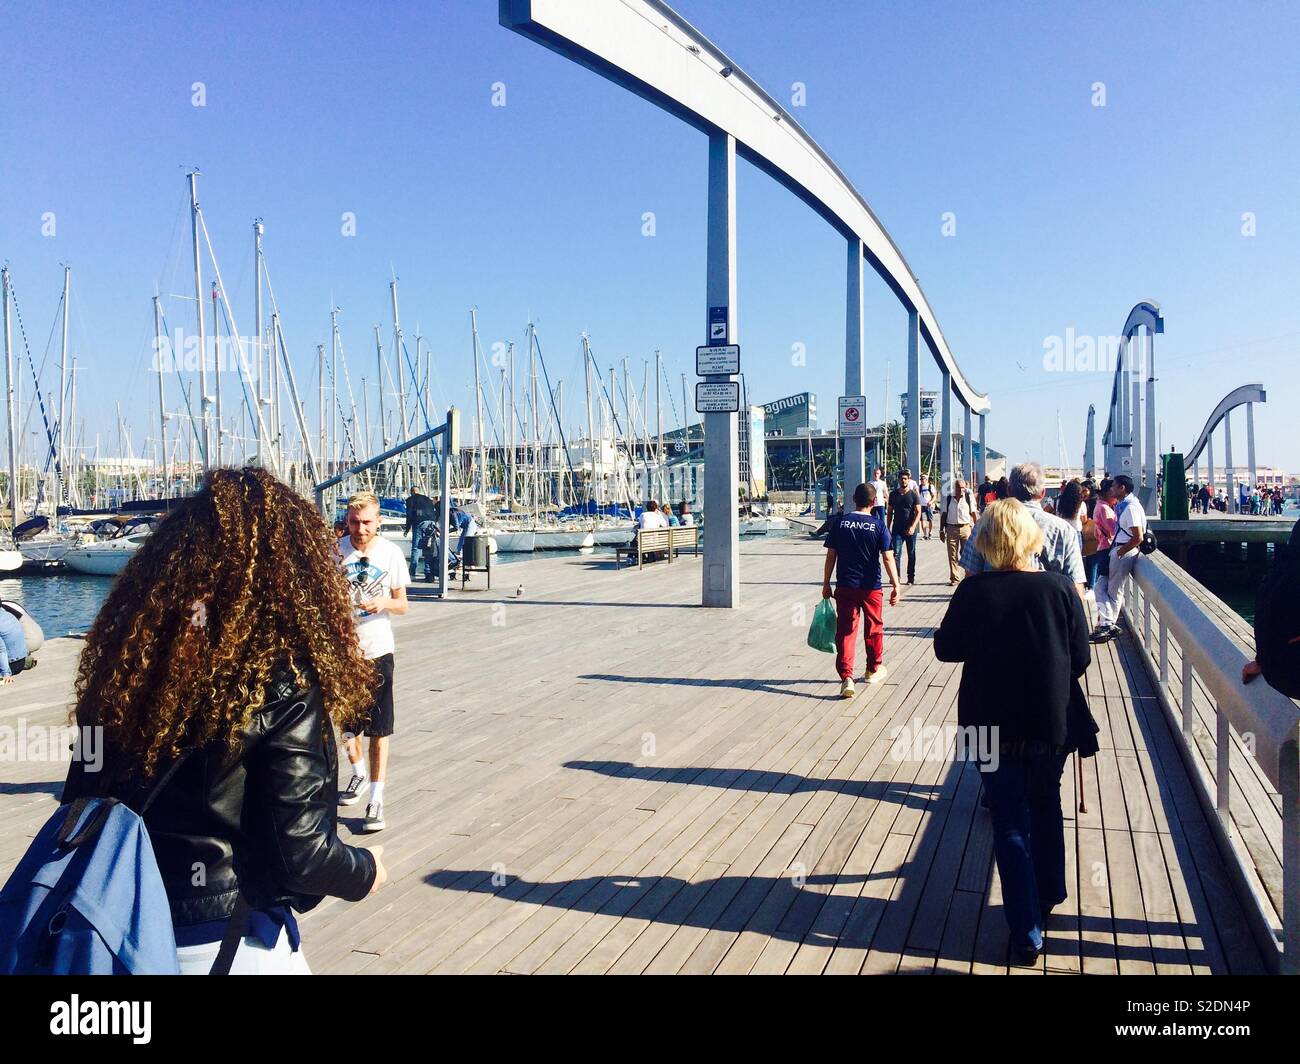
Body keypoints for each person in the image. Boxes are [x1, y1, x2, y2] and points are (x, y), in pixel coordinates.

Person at [60, 467, 385, 974]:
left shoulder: (123, 669)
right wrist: (367, 870)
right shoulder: (283, 680)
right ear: (293, 573)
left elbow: (79, 801)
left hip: (115, 929)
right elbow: (302, 855)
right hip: (229, 940)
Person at [934, 498, 1094, 966]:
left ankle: (1026, 931)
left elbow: (946, 649)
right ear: (1031, 539)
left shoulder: (974, 592)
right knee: (1046, 803)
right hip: (1050, 720)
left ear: (986, 542)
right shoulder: (1060, 588)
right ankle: (1049, 893)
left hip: (989, 723)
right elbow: (1080, 660)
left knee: (1008, 819)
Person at [335, 491, 410, 833]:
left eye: (367, 522)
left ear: (378, 520)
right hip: (344, 651)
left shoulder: (391, 553)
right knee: (347, 723)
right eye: (354, 522)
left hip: (378, 648)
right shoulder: (336, 551)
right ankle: (358, 774)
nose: (360, 529)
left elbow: (402, 604)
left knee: (380, 729)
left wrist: (383, 603)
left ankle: (376, 798)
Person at [822, 482, 901, 699]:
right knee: (874, 628)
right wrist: (896, 584)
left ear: (853, 499)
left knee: (847, 631)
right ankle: (873, 669)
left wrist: (826, 583)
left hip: (846, 585)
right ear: (874, 502)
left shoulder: (839, 523)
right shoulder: (878, 525)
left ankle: (847, 677)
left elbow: (831, 555)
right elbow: (887, 557)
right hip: (871, 587)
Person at [961, 462, 1086, 599]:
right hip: (1046, 612)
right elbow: (1076, 587)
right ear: (1042, 493)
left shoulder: (985, 524)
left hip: (995, 611)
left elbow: (970, 578)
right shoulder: (1064, 530)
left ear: (1009, 490)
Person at [1090, 474, 1145, 643]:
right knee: (1103, 586)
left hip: (1122, 550)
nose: (1111, 489)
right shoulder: (1127, 505)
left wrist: (1121, 551)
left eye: (1114, 486)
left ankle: (1107, 625)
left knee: (1113, 590)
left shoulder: (1131, 508)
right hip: (1118, 549)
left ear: (1122, 488)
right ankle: (1107, 623)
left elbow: (1138, 536)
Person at [886, 468, 922, 586]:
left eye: (905, 479)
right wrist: (888, 527)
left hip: (911, 529)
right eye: (901, 478)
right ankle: (896, 577)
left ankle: (910, 577)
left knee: (911, 553)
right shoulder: (893, 494)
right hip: (897, 529)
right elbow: (890, 512)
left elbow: (918, 512)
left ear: (909, 480)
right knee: (895, 554)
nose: (903, 481)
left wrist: (913, 526)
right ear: (899, 480)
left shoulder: (913, 495)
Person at [940, 476, 976, 586]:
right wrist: (941, 530)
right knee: (952, 555)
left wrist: (977, 526)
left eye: (963, 488)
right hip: (951, 528)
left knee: (967, 554)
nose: (961, 490)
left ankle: (967, 577)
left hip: (966, 528)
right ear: (955, 488)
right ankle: (955, 578)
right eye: (959, 487)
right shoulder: (949, 498)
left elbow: (973, 513)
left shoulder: (968, 497)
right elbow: (944, 514)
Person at [1087, 478, 1118, 594]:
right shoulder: (1104, 509)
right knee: (1105, 582)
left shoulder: (1099, 506)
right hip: (1107, 547)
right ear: (1109, 493)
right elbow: (1114, 530)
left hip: (1102, 546)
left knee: (1103, 579)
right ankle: (1104, 606)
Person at [404, 484, 439, 581]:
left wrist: (407, 528)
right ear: (418, 491)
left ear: (411, 492)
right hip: (431, 523)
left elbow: (409, 514)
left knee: (416, 548)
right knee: (428, 548)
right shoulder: (428, 499)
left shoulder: (410, 500)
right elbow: (434, 512)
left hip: (419, 523)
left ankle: (412, 572)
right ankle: (428, 572)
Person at [0, 605, 30, 683]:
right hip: (21, 661)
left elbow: (1, 650)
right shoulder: (8, 614)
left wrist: (5, 674)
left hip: (10, 666)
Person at [917, 473, 935, 540]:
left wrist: (931, 502)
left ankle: (930, 533)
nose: (921, 480)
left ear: (926, 479)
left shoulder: (930, 486)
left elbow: (934, 496)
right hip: (922, 506)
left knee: (930, 520)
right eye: (921, 479)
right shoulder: (920, 487)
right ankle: (925, 535)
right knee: (922, 520)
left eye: (923, 479)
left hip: (928, 506)